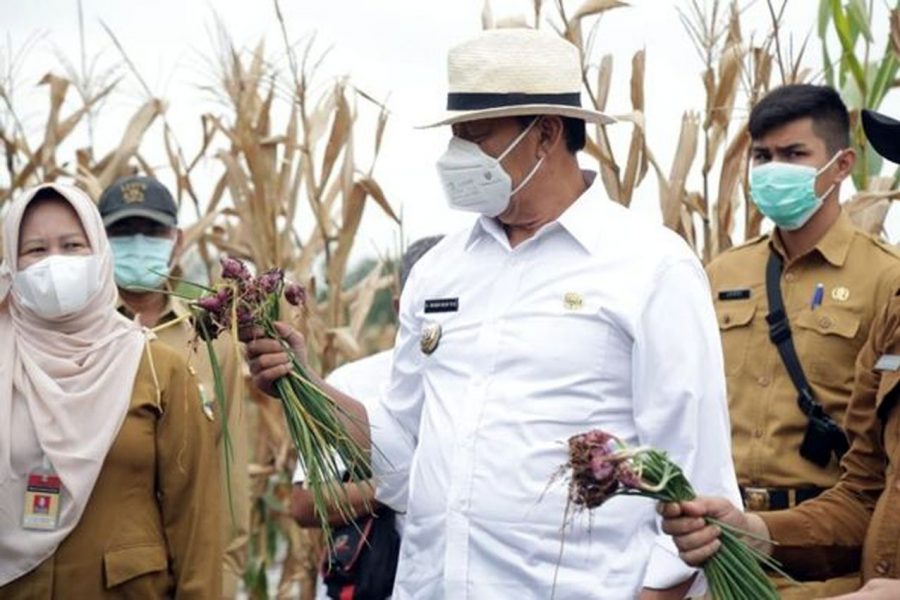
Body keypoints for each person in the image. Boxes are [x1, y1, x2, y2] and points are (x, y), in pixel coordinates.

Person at [242, 27, 740, 599]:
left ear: (546, 134)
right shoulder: (440, 271)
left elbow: (693, 469)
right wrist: (303, 383)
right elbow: (403, 445)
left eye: (474, 135)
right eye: (455, 136)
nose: (456, 155)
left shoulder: (650, 266)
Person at [659, 108, 900, 599]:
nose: (774, 168)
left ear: (841, 165)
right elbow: (864, 491)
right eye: (763, 156)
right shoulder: (897, 315)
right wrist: (755, 531)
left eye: (793, 154)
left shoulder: (882, 277)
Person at [0, 183, 220, 598]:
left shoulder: (156, 367)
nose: (55, 264)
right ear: (12, 261)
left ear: (99, 253)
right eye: (36, 250)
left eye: (72, 245)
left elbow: (195, 521)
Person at [97, 175, 251, 597]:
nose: (139, 242)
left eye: (152, 231)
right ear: (97, 240)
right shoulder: (79, 335)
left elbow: (228, 473)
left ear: (178, 240)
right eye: (123, 232)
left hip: (187, 571)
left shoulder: (212, 340)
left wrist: (224, 577)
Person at [291, 235, 443, 600]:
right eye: (430, 304)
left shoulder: (504, 390)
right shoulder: (351, 383)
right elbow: (305, 503)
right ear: (399, 306)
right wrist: (405, 482)